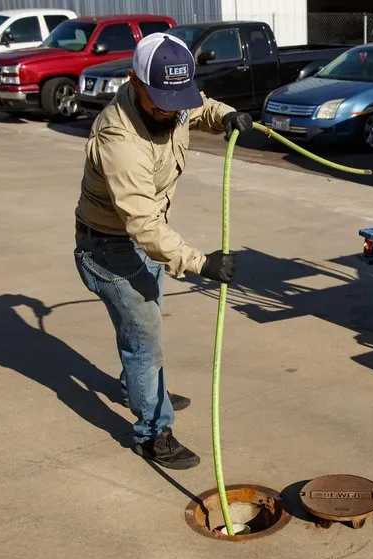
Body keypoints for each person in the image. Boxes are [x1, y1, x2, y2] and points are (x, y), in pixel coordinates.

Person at [73, 32, 253, 470]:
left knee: (138, 336)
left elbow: (200, 106)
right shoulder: (120, 141)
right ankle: (153, 432)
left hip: (140, 243)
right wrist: (201, 263)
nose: (171, 111)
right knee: (145, 343)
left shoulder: (172, 97)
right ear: (135, 82)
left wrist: (227, 115)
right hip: (110, 250)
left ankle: (140, 387)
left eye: (177, 100)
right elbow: (144, 224)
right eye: (160, 102)